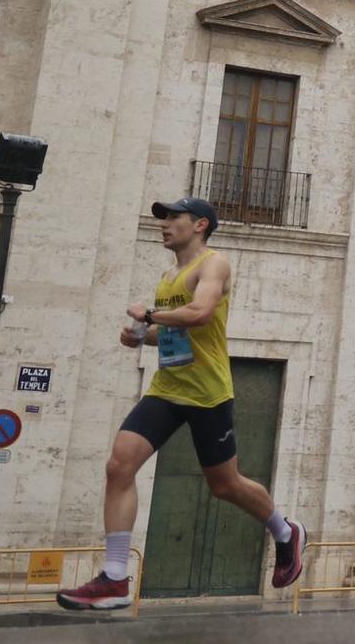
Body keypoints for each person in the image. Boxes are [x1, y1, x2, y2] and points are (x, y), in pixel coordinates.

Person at [58, 198, 304, 610]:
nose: (165, 225)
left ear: (200, 225)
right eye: (164, 219)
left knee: (225, 485)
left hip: (207, 394)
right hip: (167, 389)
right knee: (119, 465)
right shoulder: (167, 275)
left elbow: (201, 313)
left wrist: (150, 316)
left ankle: (285, 531)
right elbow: (176, 335)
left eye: (174, 218)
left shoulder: (214, 265)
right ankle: (115, 578)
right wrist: (141, 337)